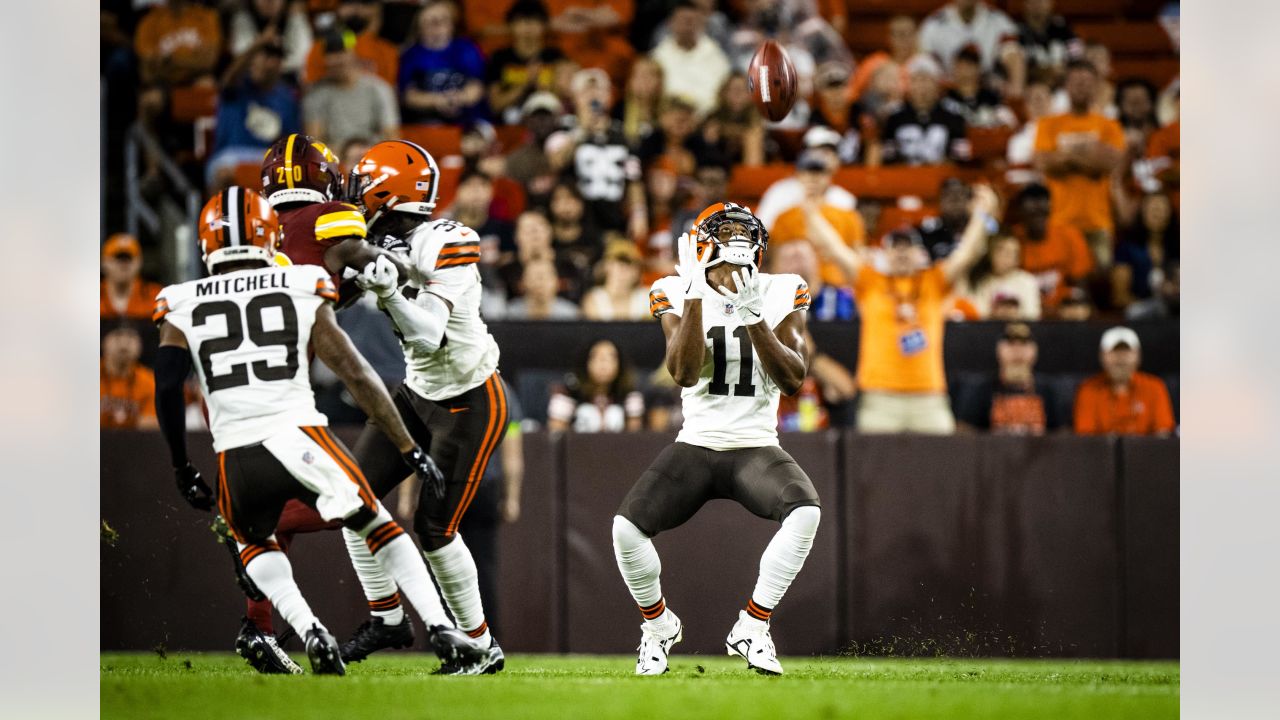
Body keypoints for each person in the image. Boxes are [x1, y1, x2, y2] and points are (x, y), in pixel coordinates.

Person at [152, 187, 484, 676]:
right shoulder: (300, 282)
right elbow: (355, 372)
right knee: (374, 520)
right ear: (271, 238)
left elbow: (165, 385)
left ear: (205, 245)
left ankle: (308, 629)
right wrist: (409, 449)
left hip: (234, 455)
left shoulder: (178, 300)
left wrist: (181, 466)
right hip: (298, 438)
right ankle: (439, 627)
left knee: (254, 544)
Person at [615, 204, 819, 676]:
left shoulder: (782, 289)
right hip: (698, 442)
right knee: (625, 530)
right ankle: (657, 627)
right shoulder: (672, 287)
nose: (740, 242)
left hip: (755, 443)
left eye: (747, 233)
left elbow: (793, 379)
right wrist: (692, 297)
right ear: (703, 243)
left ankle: (753, 624)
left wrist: (753, 316)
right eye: (728, 232)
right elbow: (684, 372)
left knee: (805, 511)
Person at [343, 140, 517, 673]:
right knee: (351, 499)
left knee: (436, 528)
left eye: (365, 189)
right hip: (417, 393)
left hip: (469, 396)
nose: (357, 201)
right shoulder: (373, 243)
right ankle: (386, 615)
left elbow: (430, 332)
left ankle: (481, 645)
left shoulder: (448, 239)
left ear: (389, 192)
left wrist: (392, 293)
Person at [812, 186, 1001, 434]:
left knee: (943, 465)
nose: (901, 252)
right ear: (884, 253)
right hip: (879, 397)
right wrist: (810, 210)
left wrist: (981, 215)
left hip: (929, 396)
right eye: (895, 247)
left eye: (907, 247)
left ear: (920, 253)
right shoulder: (870, 280)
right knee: (873, 468)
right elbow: (835, 248)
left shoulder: (934, 281)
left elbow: (966, 254)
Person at [1034, 59, 1124, 266]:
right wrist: (1090, 156)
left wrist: (1066, 156)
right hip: (1060, 221)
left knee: (1100, 282)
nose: (1081, 86)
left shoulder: (1109, 125)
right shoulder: (1048, 124)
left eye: (1086, 82)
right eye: (1076, 81)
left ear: (1096, 86)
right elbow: (1045, 164)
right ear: (1065, 86)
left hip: (1098, 222)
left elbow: (1109, 164)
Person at [207, 38, 301, 189]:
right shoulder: (237, 86)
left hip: (267, 156)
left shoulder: (286, 97)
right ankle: (219, 213)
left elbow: (292, 140)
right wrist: (256, 45)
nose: (269, 62)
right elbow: (229, 77)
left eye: (276, 57)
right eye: (264, 56)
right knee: (223, 174)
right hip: (231, 154)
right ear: (252, 59)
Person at [767, 150, 867, 289]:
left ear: (829, 177)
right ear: (799, 175)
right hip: (797, 289)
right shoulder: (784, 217)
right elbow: (776, 263)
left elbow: (859, 264)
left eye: (819, 172)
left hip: (837, 287)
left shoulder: (847, 216)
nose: (813, 177)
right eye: (808, 171)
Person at [954, 322, 1063, 434]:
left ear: (1034, 351)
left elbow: (1061, 435)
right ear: (999, 350)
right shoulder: (982, 391)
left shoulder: (1048, 391)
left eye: (1024, 343)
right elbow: (965, 434)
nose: (1017, 350)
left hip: (1038, 451)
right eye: (1011, 343)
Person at [303, 30, 400, 151]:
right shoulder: (316, 95)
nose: (334, 60)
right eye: (329, 55)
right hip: (336, 159)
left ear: (353, 53)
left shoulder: (379, 88)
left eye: (340, 53)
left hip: (372, 155)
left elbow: (392, 137)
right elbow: (315, 144)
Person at [398, 0, 488, 125]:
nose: (438, 26)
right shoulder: (410, 54)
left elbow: (477, 86)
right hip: (425, 122)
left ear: (452, 24)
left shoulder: (467, 48)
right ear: (419, 27)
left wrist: (457, 99)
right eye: (432, 22)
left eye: (443, 20)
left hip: (469, 120)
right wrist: (438, 101)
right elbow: (408, 96)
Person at [1073, 327, 1175, 436]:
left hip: (1147, 452)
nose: (1120, 359)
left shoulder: (1154, 387)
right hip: (1101, 452)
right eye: (1114, 352)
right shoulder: (1088, 389)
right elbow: (1085, 438)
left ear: (1138, 356)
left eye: (1126, 352)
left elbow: (1164, 433)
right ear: (1102, 356)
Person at [754, 126, 856, 232]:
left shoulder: (844, 199)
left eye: (830, 152)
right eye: (819, 150)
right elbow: (760, 234)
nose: (824, 157)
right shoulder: (780, 191)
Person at [1011, 182, 1092, 312]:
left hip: (1063, 310)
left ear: (1050, 209)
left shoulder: (1069, 235)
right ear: (1021, 212)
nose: (1038, 218)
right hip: (1025, 309)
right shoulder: (1012, 239)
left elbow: (1081, 282)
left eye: (1042, 213)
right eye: (1032, 213)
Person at [487, 0, 566, 125]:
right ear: (511, 25)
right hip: (509, 125)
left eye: (534, 21)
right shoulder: (499, 58)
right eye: (522, 21)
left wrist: (545, 89)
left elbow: (564, 102)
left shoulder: (555, 57)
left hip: (548, 122)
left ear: (544, 25)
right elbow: (495, 105)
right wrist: (526, 82)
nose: (528, 27)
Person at [881, 56, 970, 166]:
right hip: (904, 179)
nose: (922, 86)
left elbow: (960, 160)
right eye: (916, 80)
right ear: (909, 85)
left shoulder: (952, 115)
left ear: (937, 84)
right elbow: (888, 160)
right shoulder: (895, 117)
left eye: (926, 80)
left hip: (942, 178)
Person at [648, 0, 731, 118]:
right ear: (671, 23)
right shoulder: (657, 57)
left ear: (701, 24)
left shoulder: (717, 57)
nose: (687, 25)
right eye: (683, 20)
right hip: (666, 119)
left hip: (707, 120)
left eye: (692, 21)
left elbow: (723, 95)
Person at [548, 339, 645, 432]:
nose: (603, 364)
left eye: (610, 358)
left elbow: (634, 437)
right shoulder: (568, 392)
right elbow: (556, 435)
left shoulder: (630, 395)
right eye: (596, 357)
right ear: (586, 362)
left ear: (620, 364)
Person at [303, 0, 399, 87]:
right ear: (338, 8)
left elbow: (388, 90)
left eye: (364, 3)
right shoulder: (320, 47)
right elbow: (311, 86)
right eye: (349, 3)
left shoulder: (387, 50)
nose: (356, 8)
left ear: (374, 10)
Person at [918, 0, 1021, 76]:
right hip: (948, 90)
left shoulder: (998, 20)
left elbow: (1014, 55)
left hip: (989, 89)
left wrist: (1014, 98)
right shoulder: (933, 24)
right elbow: (926, 64)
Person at [226, 0, 313, 79]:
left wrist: (272, 67)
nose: (270, 1)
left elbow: (304, 57)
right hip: (250, 84)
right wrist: (260, 42)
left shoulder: (293, 15)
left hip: (287, 82)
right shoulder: (243, 16)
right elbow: (239, 55)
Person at [965, 234, 1041, 320]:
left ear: (1018, 258)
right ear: (991, 254)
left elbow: (1033, 316)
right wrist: (995, 315)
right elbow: (977, 315)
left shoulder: (1028, 281)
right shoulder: (980, 281)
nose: (1004, 257)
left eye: (1010, 253)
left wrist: (1014, 317)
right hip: (989, 331)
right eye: (1000, 251)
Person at [101, 325, 158, 430]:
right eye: (117, 337)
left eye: (130, 338)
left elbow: (149, 428)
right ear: (104, 343)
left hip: (133, 444)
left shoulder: (149, 381)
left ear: (140, 346)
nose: (123, 344)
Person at [582, 240, 652, 321]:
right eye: (619, 262)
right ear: (607, 265)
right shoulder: (594, 298)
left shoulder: (647, 297)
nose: (623, 268)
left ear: (637, 270)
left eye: (630, 263)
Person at [1013, 0, 1079, 84]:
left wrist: (1065, 69)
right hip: (1030, 86)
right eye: (1033, 1)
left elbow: (1077, 56)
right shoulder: (1015, 31)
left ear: (1051, 3)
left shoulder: (1064, 28)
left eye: (1042, 1)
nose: (1038, 4)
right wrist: (1044, 72)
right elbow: (1014, 66)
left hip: (1063, 84)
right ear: (1025, 4)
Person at [101, 234, 163, 322]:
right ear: (104, 262)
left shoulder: (156, 296)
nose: (123, 265)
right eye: (117, 258)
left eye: (128, 258)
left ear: (139, 262)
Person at [915, 177, 975, 260]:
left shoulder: (979, 229)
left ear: (969, 200)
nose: (955, 201)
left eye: (959, 196)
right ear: (940, 202)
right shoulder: (926, 232)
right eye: (949, 196)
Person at [506, 259, 583, 320]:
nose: (540, 282)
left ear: (556, 282)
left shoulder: (570, 315)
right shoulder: (509, 314)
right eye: (533, 277)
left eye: (545, 277)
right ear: (522, 283)